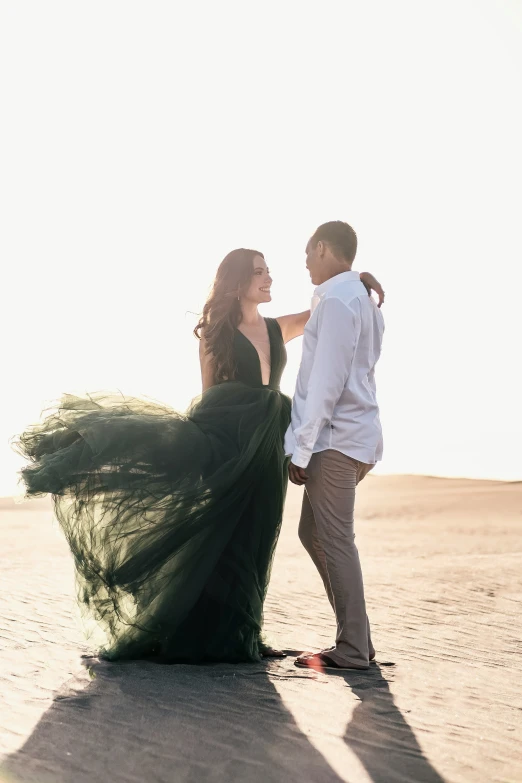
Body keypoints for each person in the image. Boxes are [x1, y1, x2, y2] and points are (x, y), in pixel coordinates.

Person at [15, 246, 383, 664]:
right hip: (228, 441)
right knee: (222, 539)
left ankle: (242, 632)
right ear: (238, 282)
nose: (268, 279)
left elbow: (329, 308)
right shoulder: (215, 331)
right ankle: (206, 634)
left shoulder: (277, 327)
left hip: (267, 448)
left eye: (268, 271)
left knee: (256, 541)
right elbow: (210, 397)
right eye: (259, 273)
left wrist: (359, 279)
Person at [285, 221, 385, 672]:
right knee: (314, 533)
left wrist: (302, 450)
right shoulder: (355, 297)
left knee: (336, 538)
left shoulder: (342, 301)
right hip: (351, 437)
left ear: (323, 248)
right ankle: (357, 638)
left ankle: (351, 648)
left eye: (308, 253)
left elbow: (327, 382)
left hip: (334, 441)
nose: (305, 262)